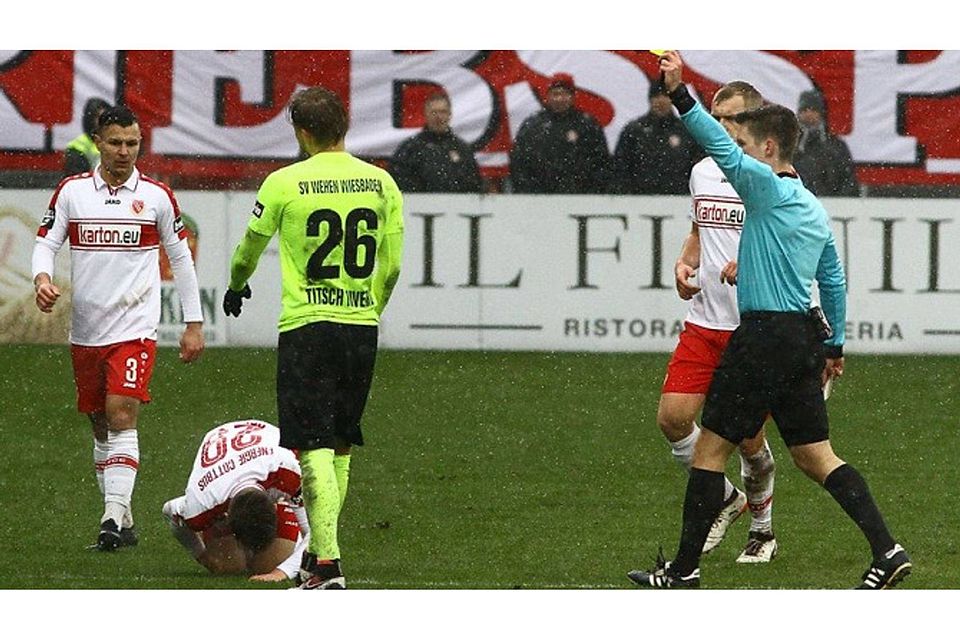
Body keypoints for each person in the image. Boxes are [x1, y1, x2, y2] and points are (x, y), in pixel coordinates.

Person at [628, 51, 910, 589]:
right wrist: (836, 345)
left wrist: (680, 91)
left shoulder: (764, 186)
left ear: (770, 148)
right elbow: (832, 281)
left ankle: (684, 573)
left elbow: (715, 146)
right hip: (805, 336)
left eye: (747, 144)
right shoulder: (811, 206)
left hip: (762, 335)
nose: (739, 151)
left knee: (709, 451)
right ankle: (887, 549)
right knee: (816, 456)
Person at [222, 86, 403, 590]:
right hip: (360, 327)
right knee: (341, 445)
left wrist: (237, 286)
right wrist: (368, 311)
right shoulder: (380, 183)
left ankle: (326, 564)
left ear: (302, 132)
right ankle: (318, 556)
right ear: (344, 127)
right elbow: (391, 267)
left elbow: (248, 249)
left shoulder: (285, 182)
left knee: (312, 445)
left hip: (308, 327)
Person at [32, 104, 205, 552]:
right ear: (98, 142)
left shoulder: (156, 196)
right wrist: (42, 278)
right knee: (99, 425)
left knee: (121, 414)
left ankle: (109, 519)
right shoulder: (72, 192)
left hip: (135, 328)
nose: (125, 151)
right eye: (115, 142)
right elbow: (46, 241)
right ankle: (123, 521)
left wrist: (193, 322)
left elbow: (181, 259)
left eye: (132, 143)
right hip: (87, 331)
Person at [656, 80, 778, 564]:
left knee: (749, 441)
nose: (722, 126)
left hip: (751, 327)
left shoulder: (770, 177)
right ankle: (727, 498)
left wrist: (751, 261)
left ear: (752, 121)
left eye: (731, 118)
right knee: (672, 419)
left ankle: (763, 530)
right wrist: (685, 263)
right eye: (716, 115)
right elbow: (698, 231)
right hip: (705, 320)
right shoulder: (703, 171)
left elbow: (788, 245)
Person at [162, 419, 309, 582]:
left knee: (268, 566)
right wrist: (201, 555)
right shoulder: (200, 505)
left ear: (273, 509)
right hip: (228, 465)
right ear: (228, 520)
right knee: (226, 568)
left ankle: (287, 515)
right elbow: (170, 511)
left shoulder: (289, 472)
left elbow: (314, 532)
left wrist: (281, 572)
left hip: (266, 449)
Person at [508, 73, 612, 193]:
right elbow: (519, 162)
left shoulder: (587, 124)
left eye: (564, 94)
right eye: (555, 94)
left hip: (579, 197)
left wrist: (592, 191)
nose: (560, 99)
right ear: (548, 96)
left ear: (572, 96)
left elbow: (601, 162)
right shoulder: (533, 124)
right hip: (540, 197)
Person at [611, 82, 699, 194]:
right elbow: (621, 166)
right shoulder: (635, 130)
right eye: (656, 96)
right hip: (640, 200)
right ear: (650, 100)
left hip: (679, 199)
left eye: (665, 96)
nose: (661, 100)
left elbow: (697, 165)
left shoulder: (686, 130)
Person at [390, 91, 484, 193]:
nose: (438, 117)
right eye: (434, 112)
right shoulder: (410, 148)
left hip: (456, 207)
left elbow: (474, 183)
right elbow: (398, 182)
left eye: (443, 112)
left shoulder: (462, 149)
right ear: (426, 114)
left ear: (449, 115)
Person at [793, 89, 860, 197]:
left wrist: (837, 205)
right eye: (804, 110)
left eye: (813, 109)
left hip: (830, 208)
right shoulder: (789, 144)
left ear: (821, 113)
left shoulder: (836, 146)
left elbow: (848, 181)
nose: (808, 114)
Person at [63, 97, 111, 177]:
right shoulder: (77, 147)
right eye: (99, 117)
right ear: (90, 120)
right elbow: (77, 179)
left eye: (106, 117)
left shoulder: (119, 142)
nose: (104, 121)